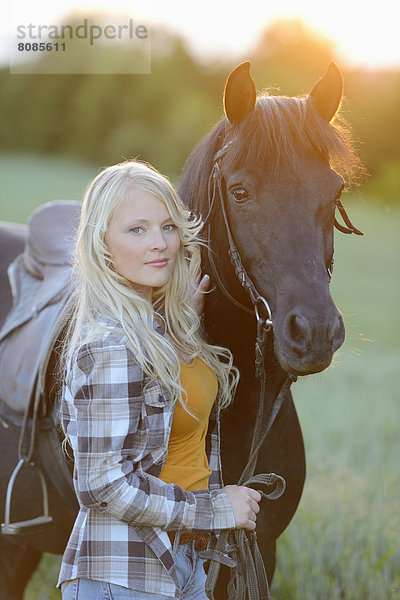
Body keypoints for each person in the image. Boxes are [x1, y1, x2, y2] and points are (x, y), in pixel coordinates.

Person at [57, 160, 261, 600]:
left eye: (168, 227)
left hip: (181, 565)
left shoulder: (158, 331)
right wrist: (214, 509)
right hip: (124, 574)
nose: (160, 244)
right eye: (137, 230)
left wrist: (178, 316)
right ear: (102, 245)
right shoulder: (110, 346)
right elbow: (102, 485)